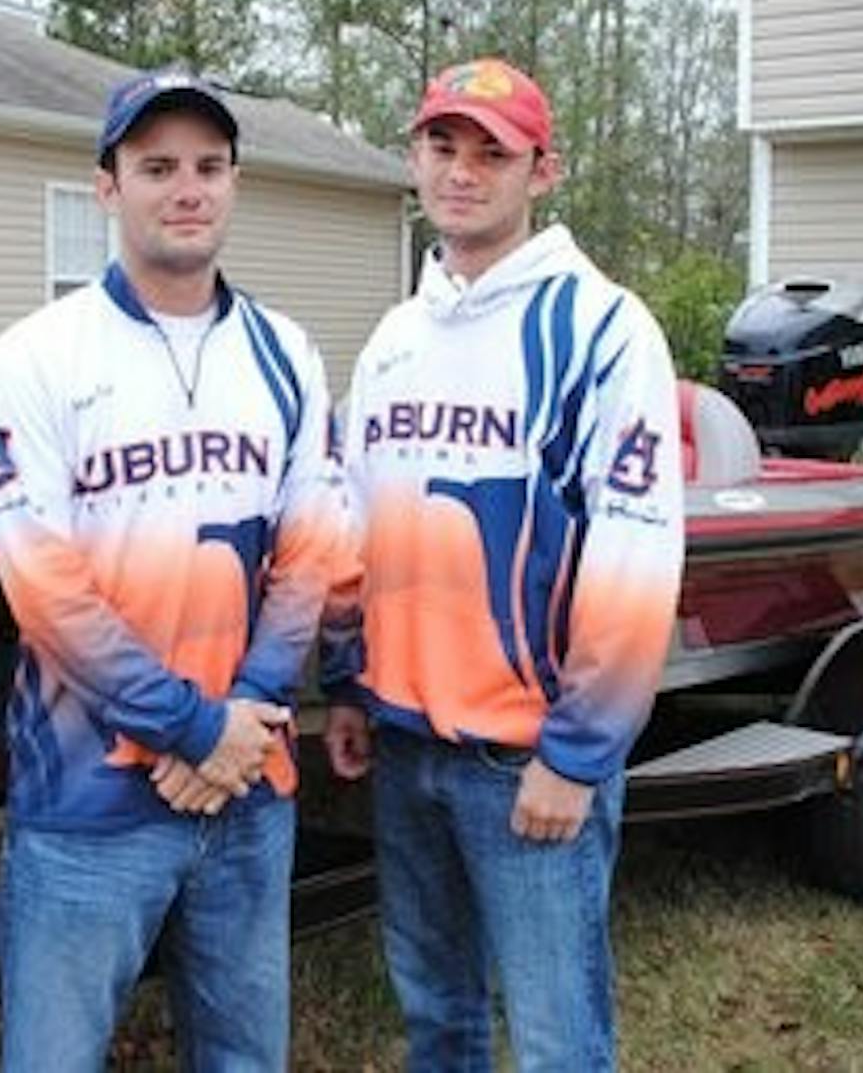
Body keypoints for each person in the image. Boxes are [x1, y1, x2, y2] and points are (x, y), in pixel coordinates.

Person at [321, 57, 685, 1071]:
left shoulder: (603, 331)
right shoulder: (394, 338)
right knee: (436, 1018)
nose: (463, 172)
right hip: (406, 748)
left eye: (494, 152)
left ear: (543, 170)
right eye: (444, 145)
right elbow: (359, 523)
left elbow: (636, 553)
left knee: (559, 1040)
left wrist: (577, 756)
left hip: (526, 761)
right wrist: (348, 681)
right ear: (414, 158)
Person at [0, 68, 340, 1072]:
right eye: (159, 167)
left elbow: (311, 550)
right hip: (87, 803)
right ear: (108, 187)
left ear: (233, 184)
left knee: (244, 1060)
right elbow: (43, 585)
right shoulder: (36, 355)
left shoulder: (288, 353)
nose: (189, 188)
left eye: (211, 166)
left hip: (249, 792)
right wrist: (190, 726)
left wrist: (246, 714)